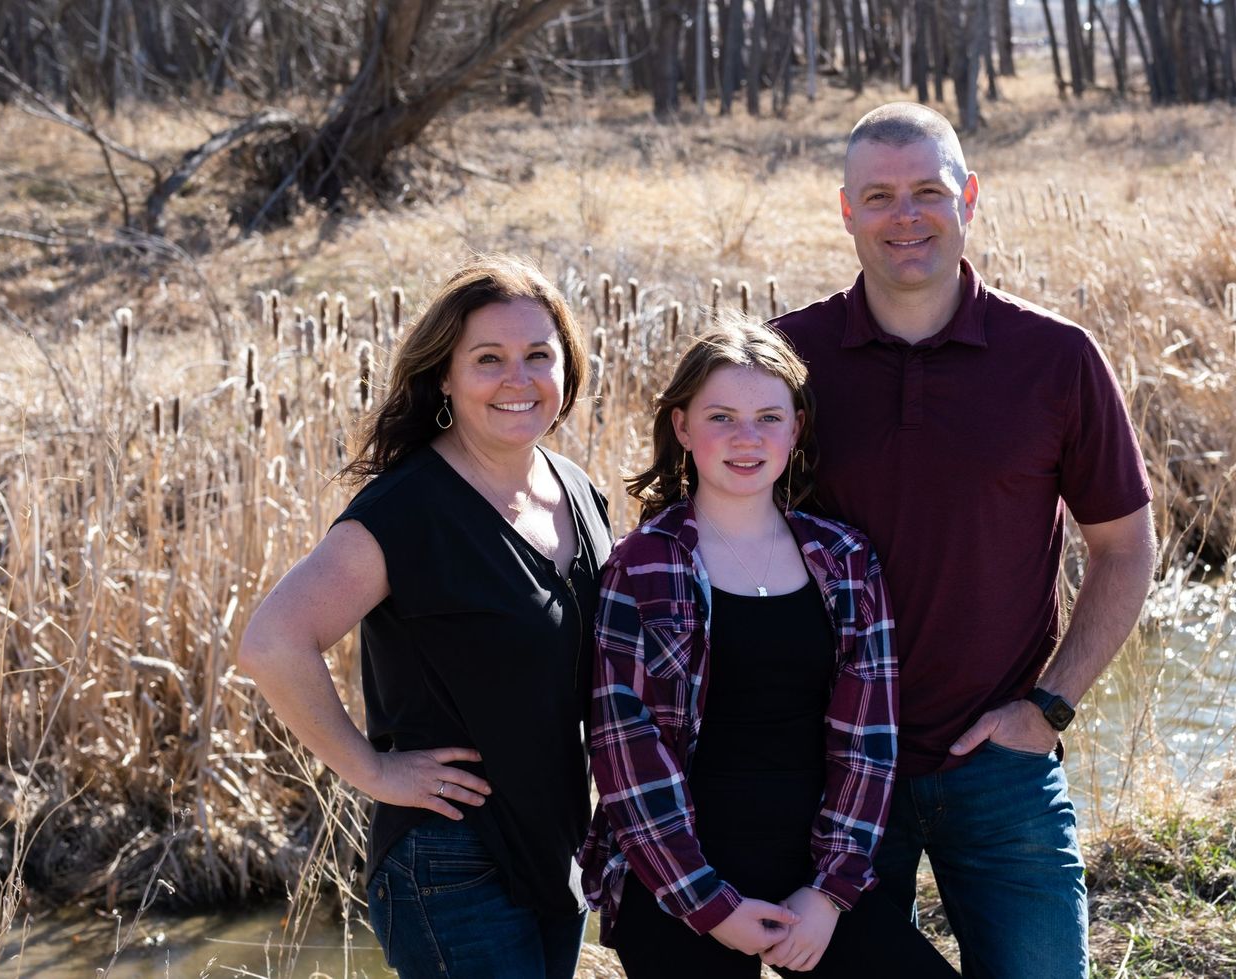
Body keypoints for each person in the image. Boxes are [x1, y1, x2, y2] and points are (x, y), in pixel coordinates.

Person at [772, 103, 1159, 979]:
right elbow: (716, 539)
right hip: (835, 767)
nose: (904, 215)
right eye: (879, 196)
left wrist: (1048, 708)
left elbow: (1126, 548)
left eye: (928, 191)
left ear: (969, 198)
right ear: (846, 210)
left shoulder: (1055, 357)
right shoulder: (786, 360)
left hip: (1000, 765)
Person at [238, 255, 612, 979]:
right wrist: (372, 770)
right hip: (452, 860)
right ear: (444, 375)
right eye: (488, 359)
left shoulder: (576, 490)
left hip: (557, 845)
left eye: (539, 355)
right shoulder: (409, 509)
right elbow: (272, 641)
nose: (518, 378)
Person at [578, 317, 959, 979]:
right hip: (676, 877)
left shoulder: (845, 559)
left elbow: (868, 742)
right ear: (682, 427)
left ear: (797, 428)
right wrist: (709, 904)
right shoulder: (642, 565)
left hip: (811, 869)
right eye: (721, 417)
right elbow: (625, 751)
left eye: (768, 418)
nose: (746, 438)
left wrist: (829, 892)